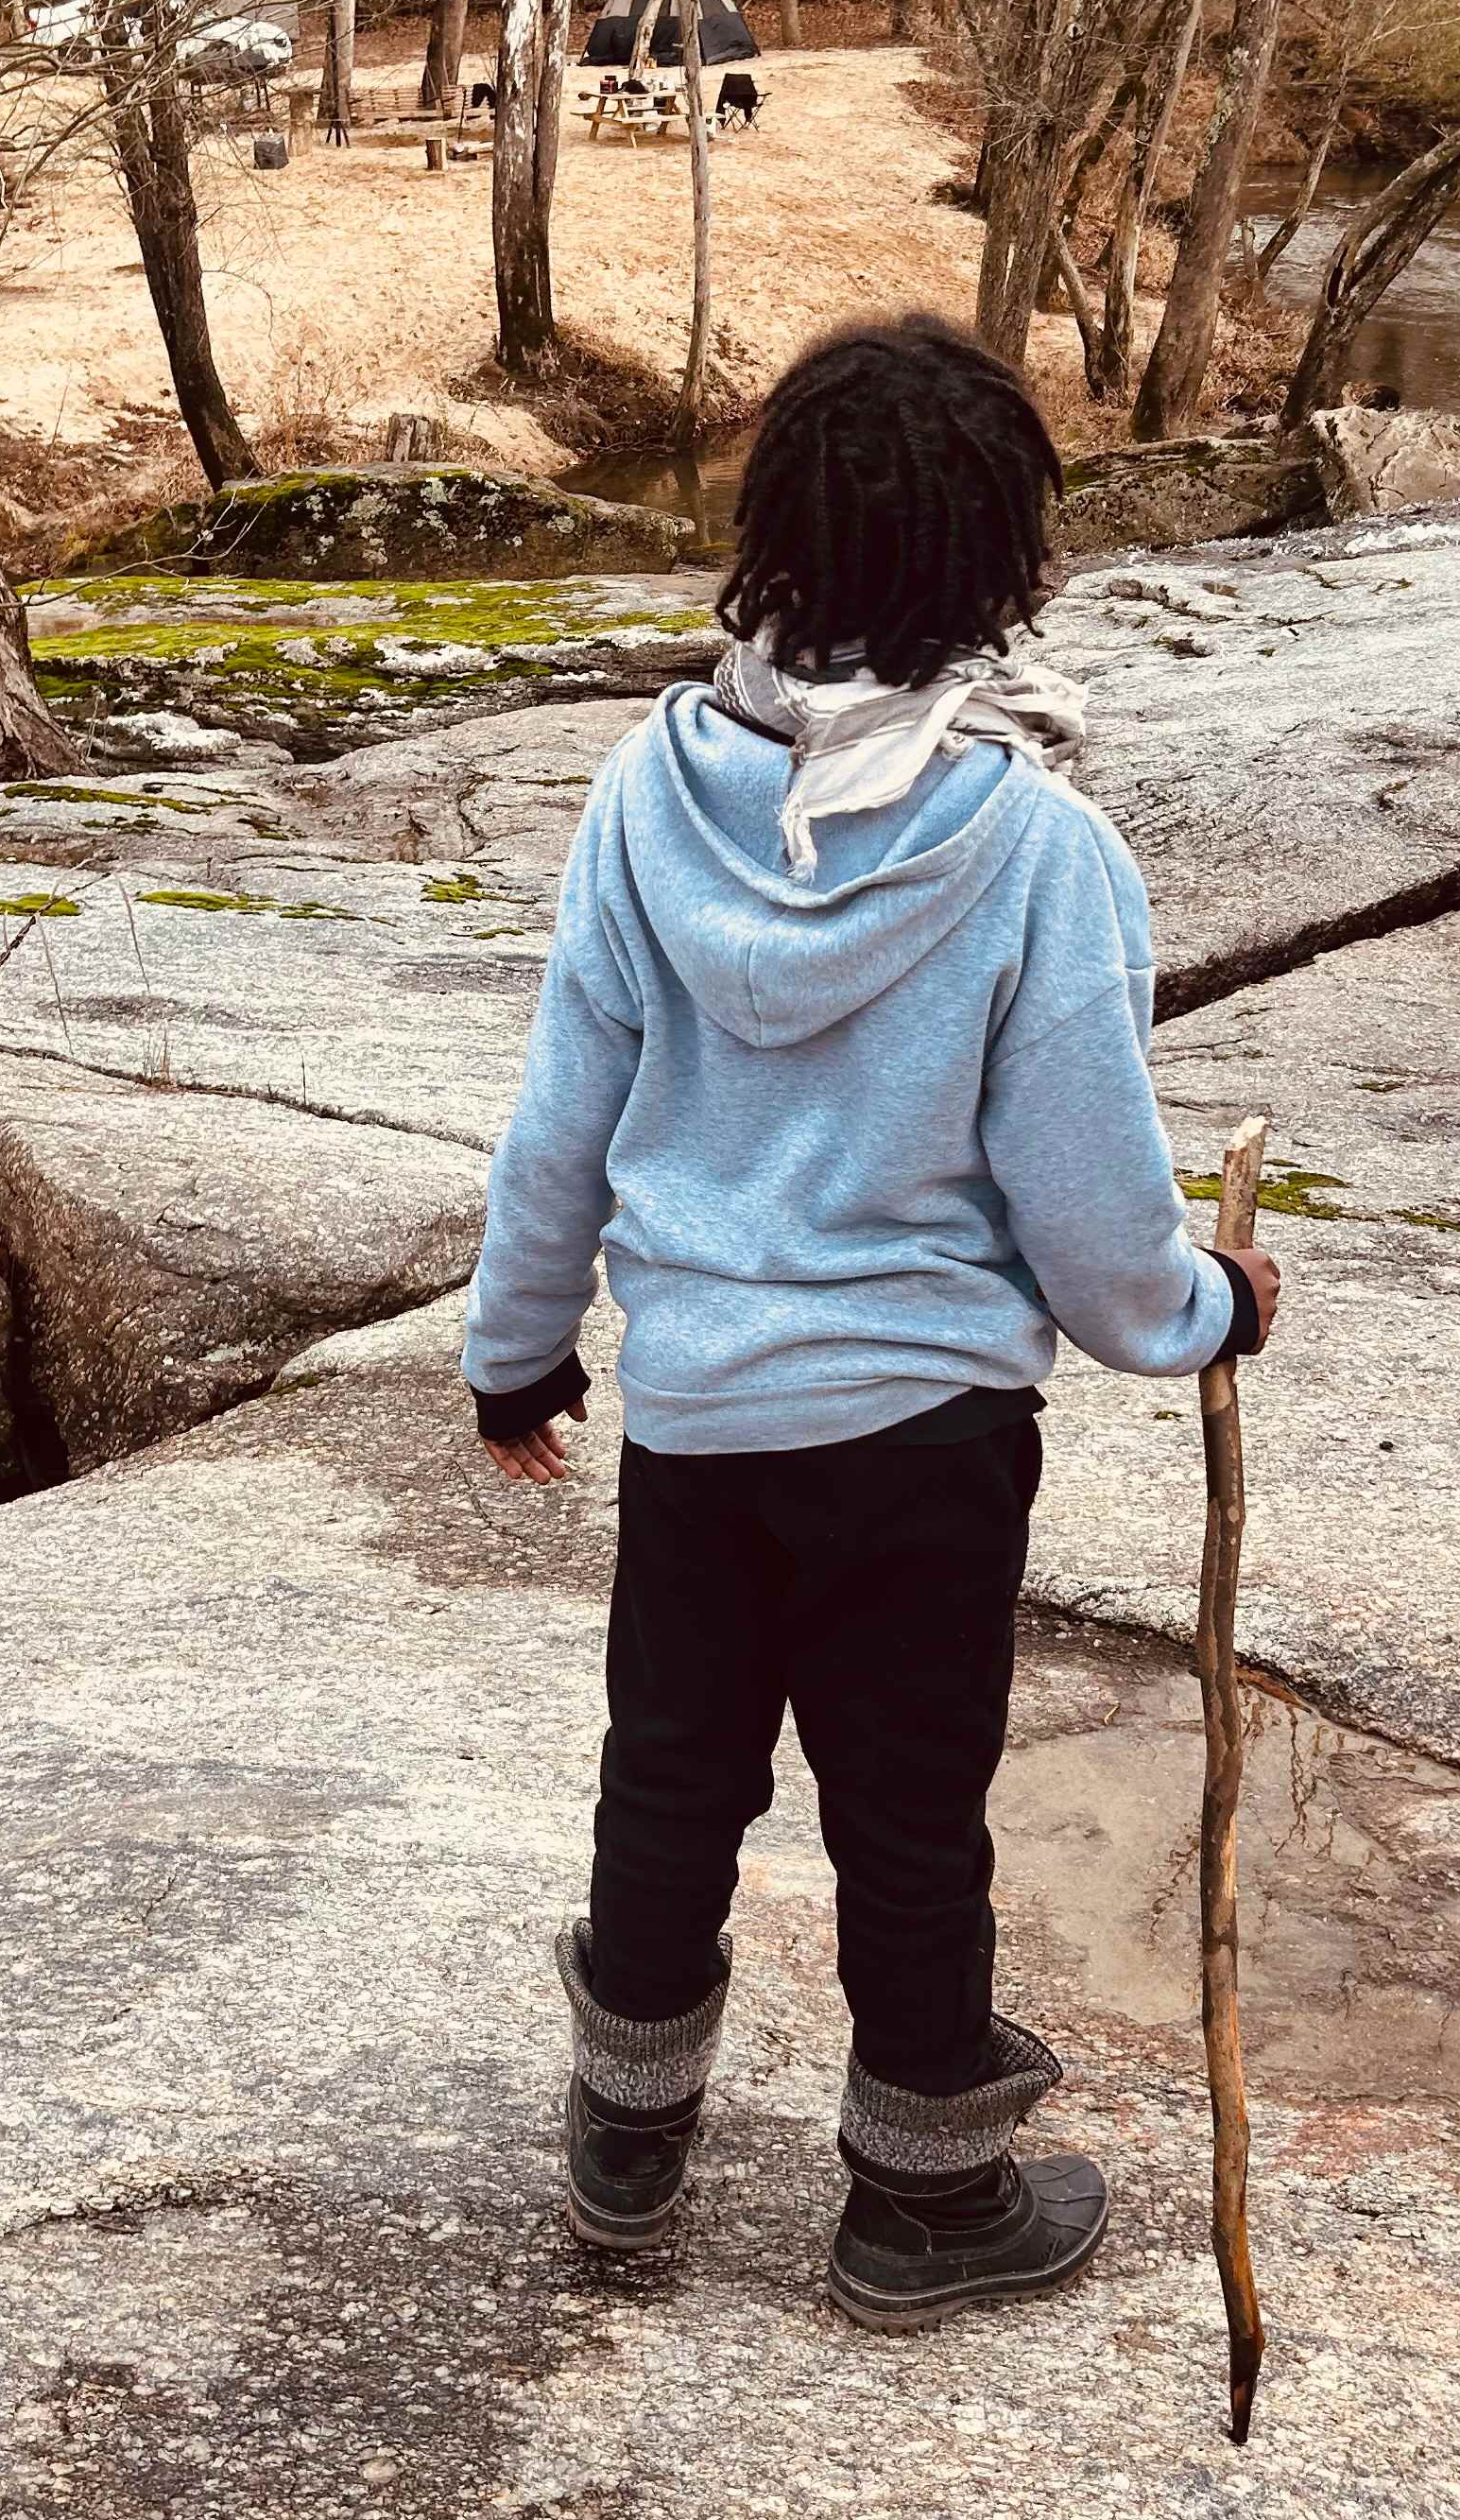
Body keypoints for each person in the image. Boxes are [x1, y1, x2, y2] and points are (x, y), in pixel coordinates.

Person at [461, 315, 1281, 2334]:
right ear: (1005, 563)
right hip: (922, 1438)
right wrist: (1206, 1310)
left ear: (774, 536)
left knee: (670, 1775)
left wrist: (515, 1351)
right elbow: (1096, 1222)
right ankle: (923, 2202)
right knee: (908, 1814)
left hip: (710, 1417)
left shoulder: (647, 797)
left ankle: (627, 2148)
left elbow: (562, 1112)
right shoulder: (1036, 855)